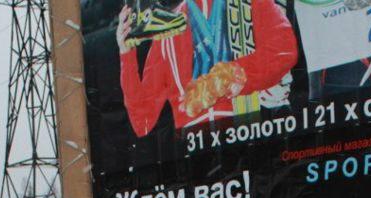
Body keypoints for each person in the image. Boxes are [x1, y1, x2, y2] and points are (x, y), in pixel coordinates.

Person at [117, 0, 299, 136]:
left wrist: (230, 75)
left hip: (251, 139)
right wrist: (126, 53)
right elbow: (143, 121)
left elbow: (285, 49)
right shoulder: (167, 30)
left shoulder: (250, 3)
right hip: (200, 158)